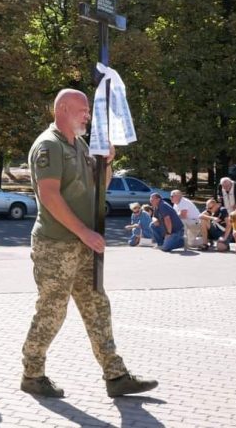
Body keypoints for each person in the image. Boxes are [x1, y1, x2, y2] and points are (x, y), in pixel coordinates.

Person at [20, 89, 156, 399]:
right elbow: (50, 196)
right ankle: (32, 373)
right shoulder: (49, 146)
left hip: (81, 244)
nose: (88, 116)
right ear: (64, 109)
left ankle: (115, 374)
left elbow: (99, 186)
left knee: (97, 306)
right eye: (83, 110)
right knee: (52, 311)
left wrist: (107, 163)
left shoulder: (79, 145)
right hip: (56, 246)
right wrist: (84, 232)